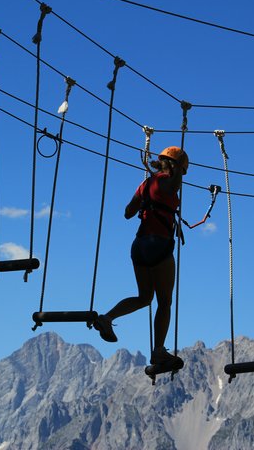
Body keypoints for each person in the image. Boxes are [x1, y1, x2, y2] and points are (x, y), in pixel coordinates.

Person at [93, 146, 188, 369]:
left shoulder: (145, 184)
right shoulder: (170, 182)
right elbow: (175, 182)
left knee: (144, 298)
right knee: (164, 301)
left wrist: (146, 203)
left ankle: (106, 318)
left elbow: (127, 212)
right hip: (159, 244)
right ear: (178, 168)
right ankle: (158, 352)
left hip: (139, 245)